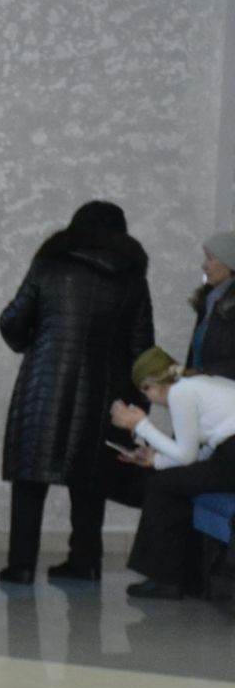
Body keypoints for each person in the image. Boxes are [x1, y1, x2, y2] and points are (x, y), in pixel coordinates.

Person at [0, 200, 154, 583]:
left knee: (30, 480)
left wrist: (30, 343)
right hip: (103, 394)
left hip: (42, 388)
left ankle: (20, 565)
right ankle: (84, 561)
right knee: (91, 480)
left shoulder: (48, 265)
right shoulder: (131, 278)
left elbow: (14, 320)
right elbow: (141, 346)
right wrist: (140, 404)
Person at [111, 347, 235, 597]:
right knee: (169, 482)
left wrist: (141, 426)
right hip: (228, 456)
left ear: (154, 383)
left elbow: (187, 455)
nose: (149, 398)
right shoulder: (198, 382)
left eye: (145, 390)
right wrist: (155, 460)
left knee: (161, 485)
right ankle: (179, 576)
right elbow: (195, 455)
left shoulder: (181, 391)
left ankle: (167, 578)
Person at [185, 230, 235, 377]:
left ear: (230, 263)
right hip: (204, 390)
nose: (204, 266)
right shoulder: (209, 301)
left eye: (210, 259)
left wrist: (203, 373)